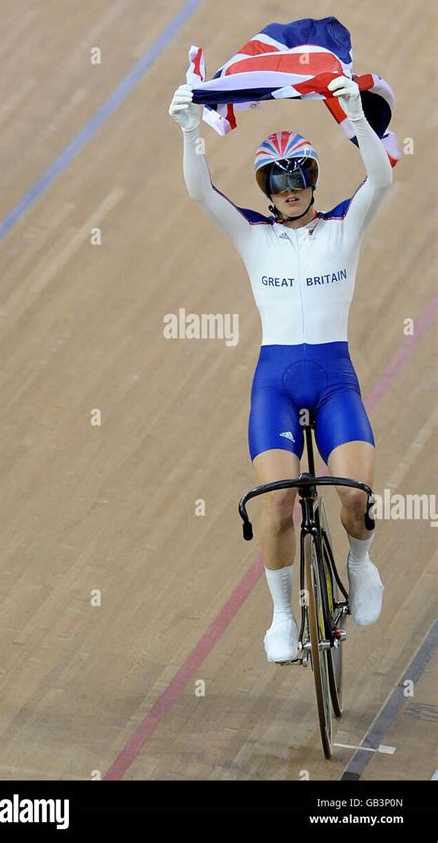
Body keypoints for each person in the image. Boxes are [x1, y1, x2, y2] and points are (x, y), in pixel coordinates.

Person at [169, 75, 393, 663]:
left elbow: (383, 177)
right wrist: (193, 130)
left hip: (334, 380)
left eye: (300, 175)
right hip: (276, 384)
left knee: (352, 494)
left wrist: (358, 120)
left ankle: (362, 564)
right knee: (276, 501)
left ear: (314, 180)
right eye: (278, 178)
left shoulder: (346, 225)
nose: (291, 188)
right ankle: (282, 616)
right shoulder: (253, 235)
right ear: (266, 187)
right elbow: (200, 194)